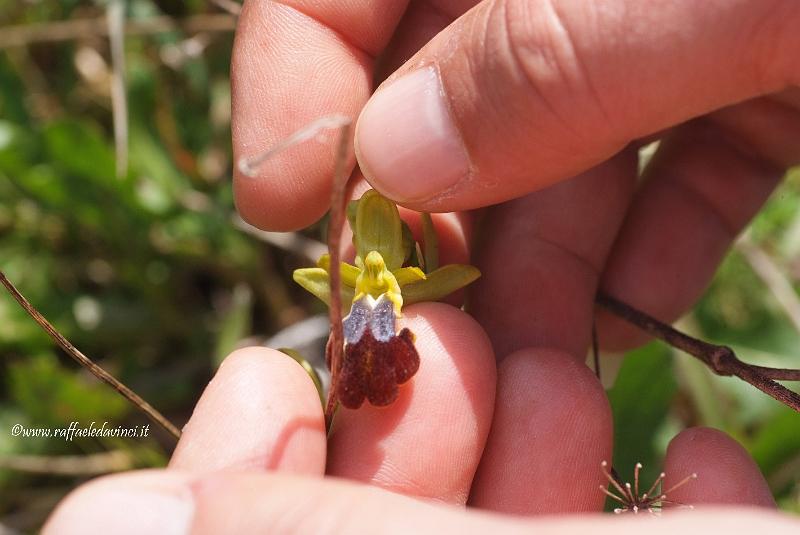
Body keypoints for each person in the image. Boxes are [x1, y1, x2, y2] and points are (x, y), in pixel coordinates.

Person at [45, 1, 800, 532]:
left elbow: (434, 277)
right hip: (399, 294)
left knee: (483, 367)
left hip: (411, 276)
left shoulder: (398, 277)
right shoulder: (383, 285)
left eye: (375, 276)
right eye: (369, 278)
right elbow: (375, 282)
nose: (370, 280)